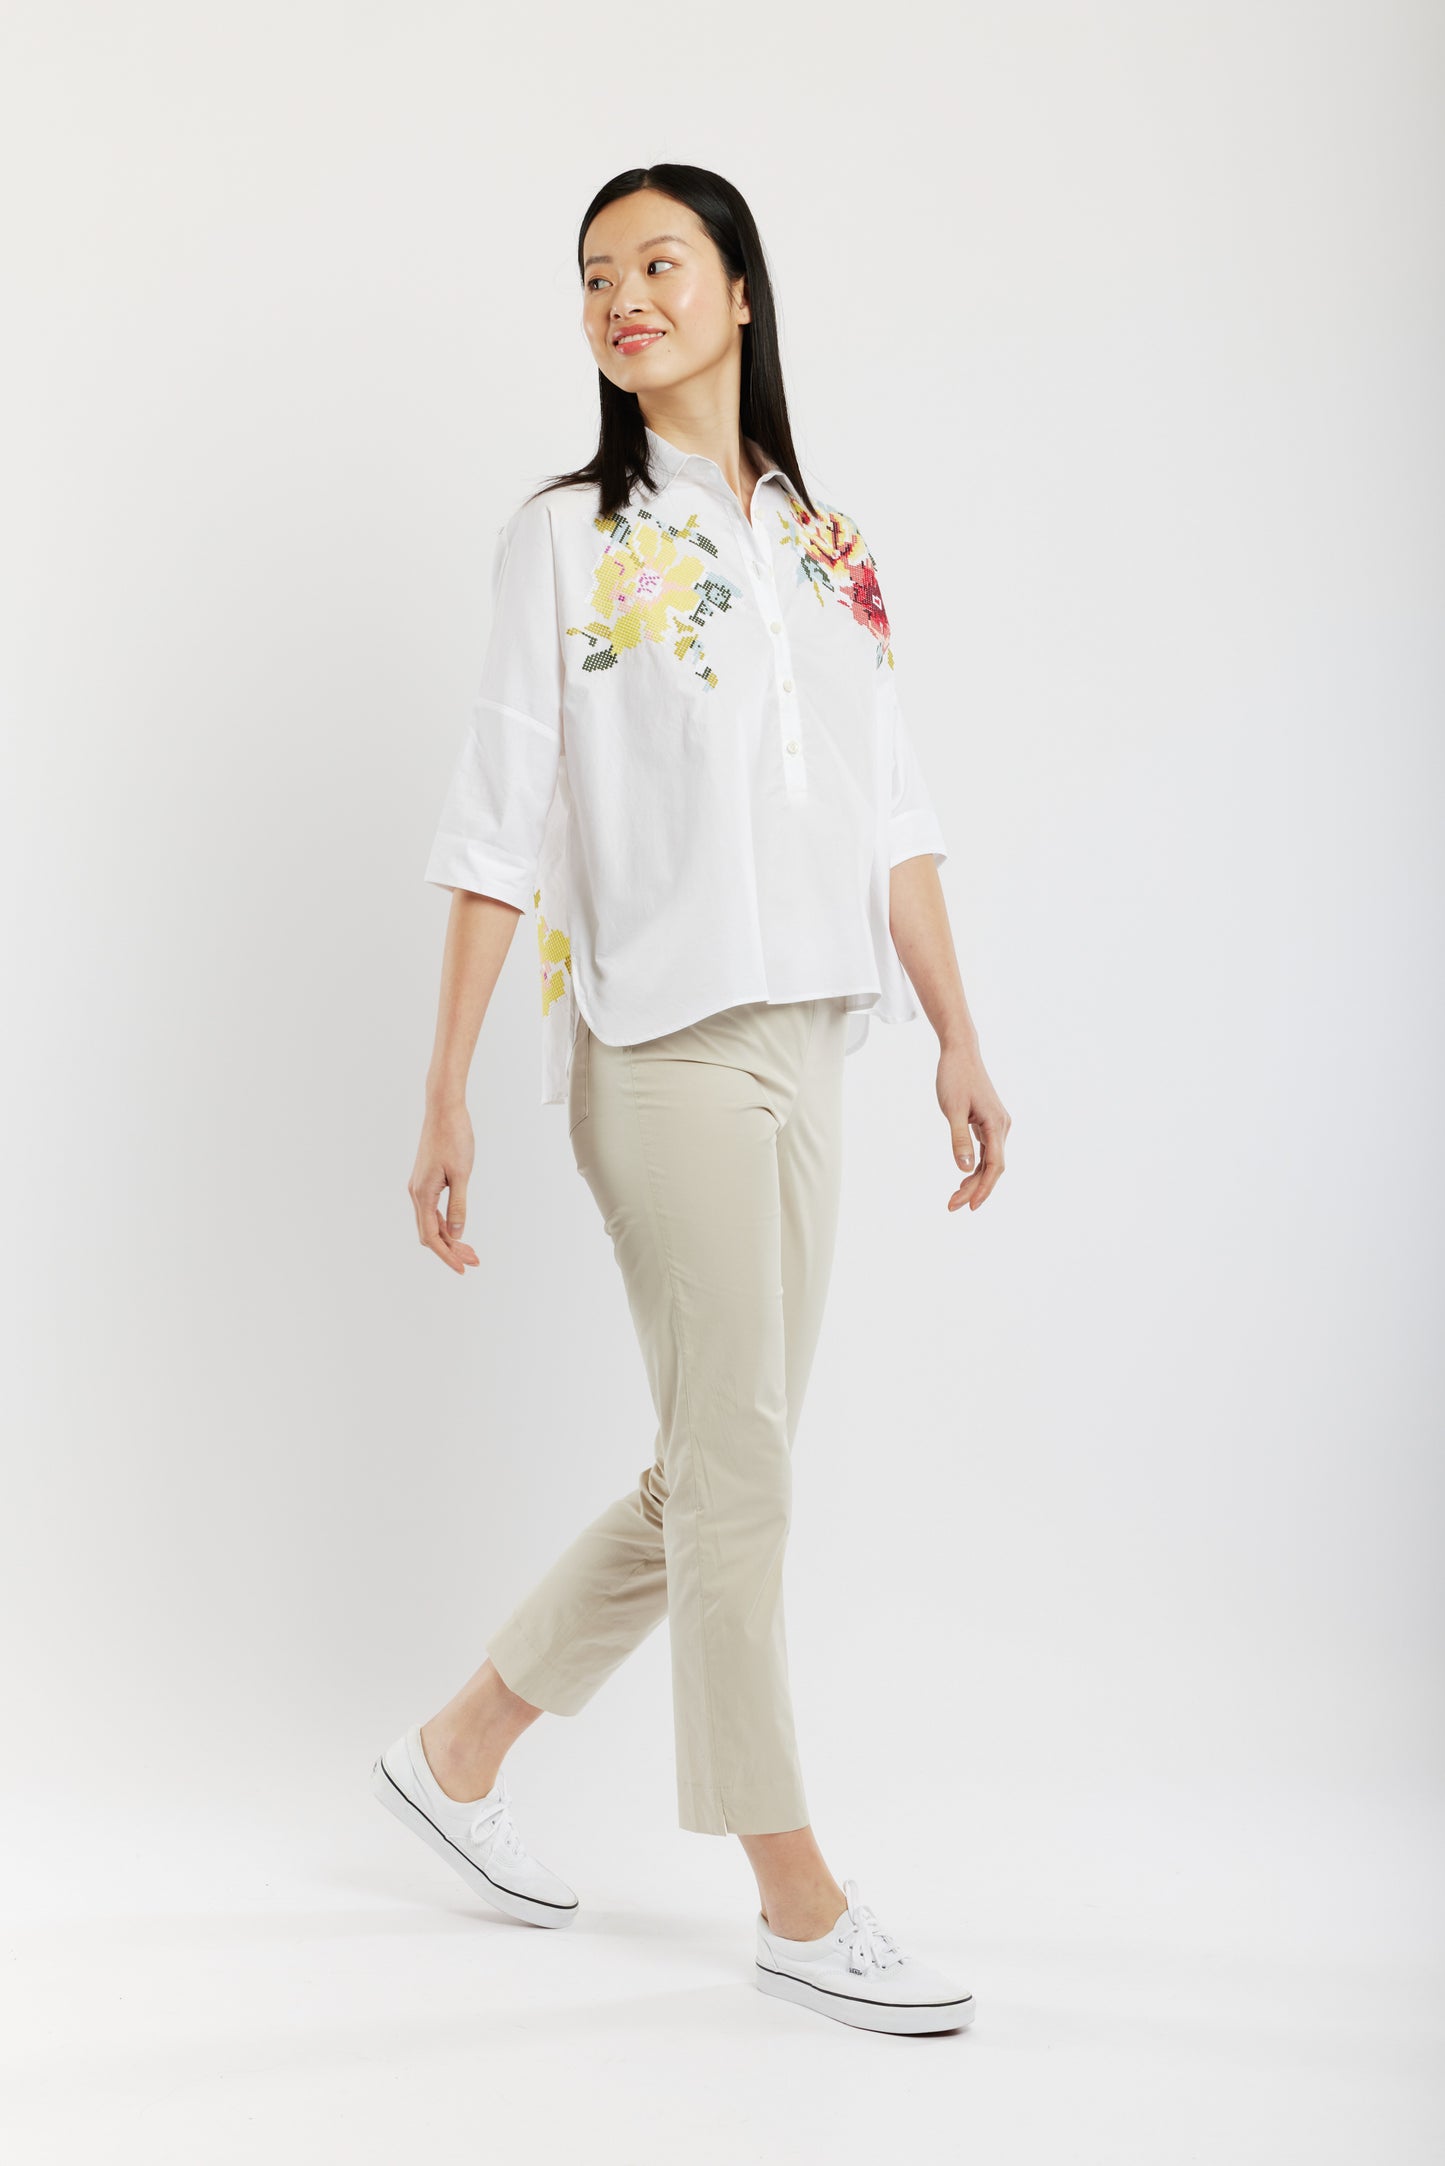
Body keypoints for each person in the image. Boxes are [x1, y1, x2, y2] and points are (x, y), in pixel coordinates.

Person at [372, 163, 1010, 2037]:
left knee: (717, 1466)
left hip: (813, 1043)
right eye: (594, 277)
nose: (620, 298)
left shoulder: (824, 541)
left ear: (738, 290)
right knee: (742, 1475)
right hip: (654, 1050)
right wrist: (445, 1091)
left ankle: (457, 1754)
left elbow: (892, 810)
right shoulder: (564, 537)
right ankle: (796, 1897)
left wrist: (957, 1034)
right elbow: (497, 820)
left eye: (657, 263)